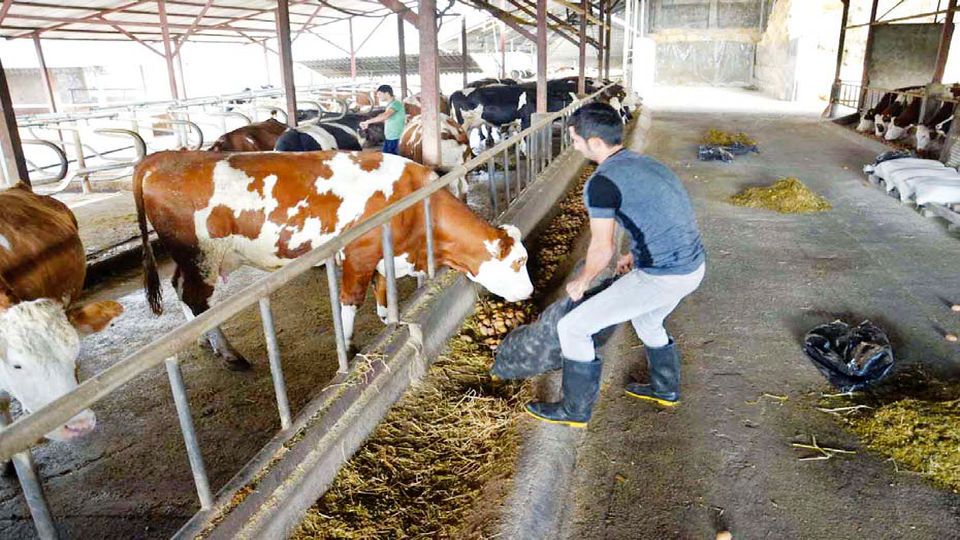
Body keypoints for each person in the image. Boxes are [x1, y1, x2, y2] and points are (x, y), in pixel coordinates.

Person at [525, 102, 707, 428]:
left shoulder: (601, 183)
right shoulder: (646, 164)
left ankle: (574, 411)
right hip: (692, 267)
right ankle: (665, 389)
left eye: (575, 139)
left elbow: (602, 248)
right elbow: (665, 216)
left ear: (595, 143)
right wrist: (636, 254)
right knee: (648, 321)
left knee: (573, 328)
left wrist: (582, 281)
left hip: (663, 276)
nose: (574, 145)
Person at [360, 84, 406, 155]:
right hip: (389, 138)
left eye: (379, 94)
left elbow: (385, 115)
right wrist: (367, 122)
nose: (378, 96)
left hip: (396, 138)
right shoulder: (390, 105)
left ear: (387, 93)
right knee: (387, 158)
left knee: (395, 160)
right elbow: (382, 116)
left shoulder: (396, 104)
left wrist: (368, 122)